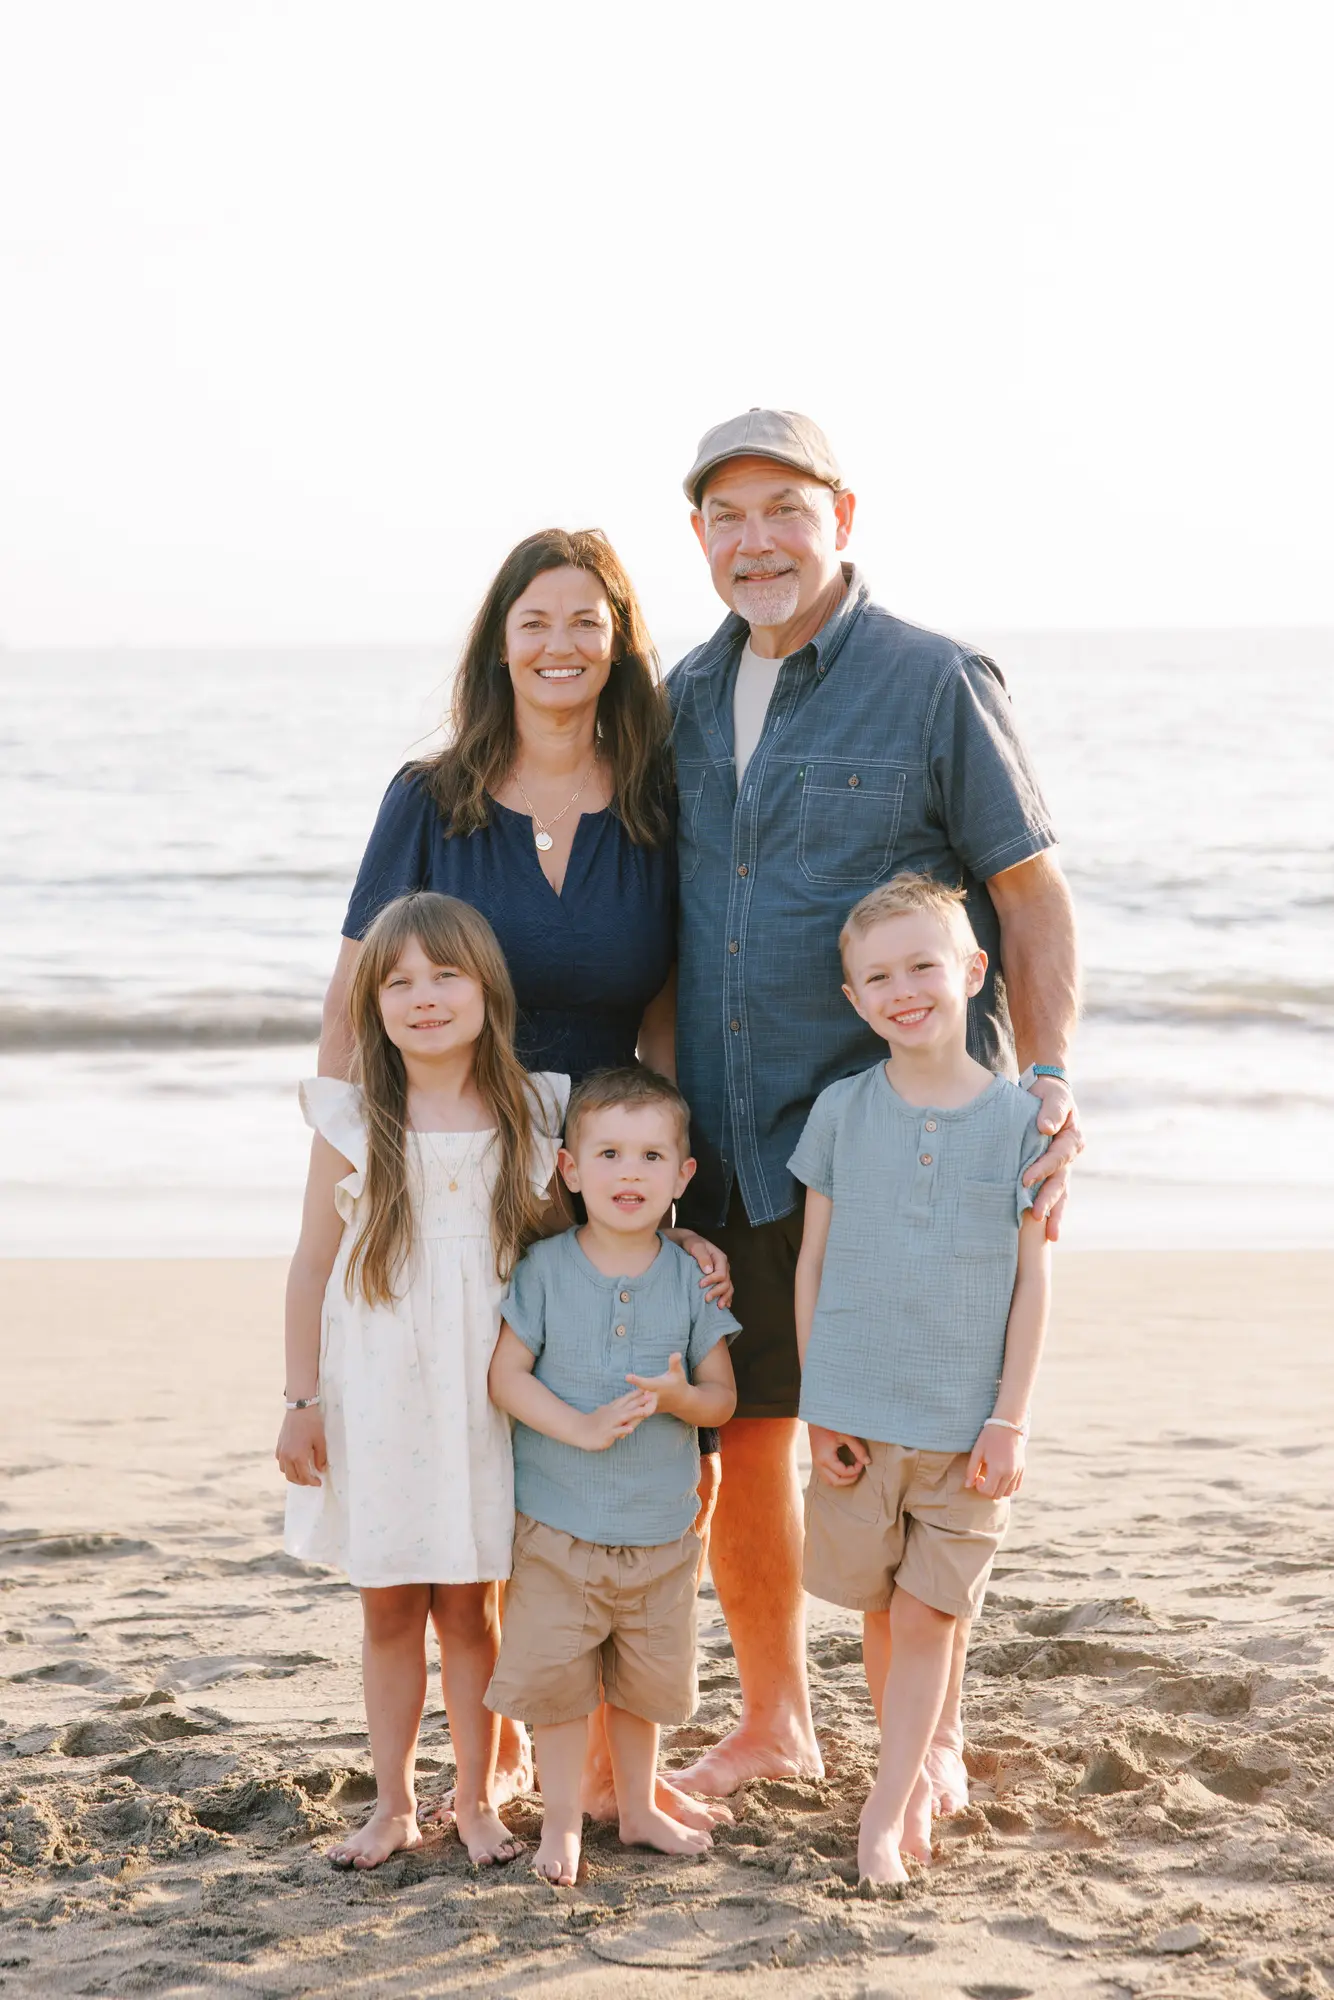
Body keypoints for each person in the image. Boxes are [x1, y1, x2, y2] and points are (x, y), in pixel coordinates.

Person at [666, 409, 1082, 1803]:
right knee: (750, 1440)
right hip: (732, 1143)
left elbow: (1028, 895)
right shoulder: (678, 697)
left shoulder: (932, 679)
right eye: (726, 516)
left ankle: (931, 1736)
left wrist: (1047, 1081)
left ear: (839, 517)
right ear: (698, 537)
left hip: (902, 1151)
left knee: (914, 1445)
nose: (755, 541)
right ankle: (774, 1720)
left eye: (782, 509)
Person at [318, 528, 730, 1819]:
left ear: (619, 644)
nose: (559, 645)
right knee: (466, 1443)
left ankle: (579, 1761)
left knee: (581, 1458)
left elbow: (662, 1016)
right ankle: (476, 1765)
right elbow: (353, 996)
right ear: (499, 642)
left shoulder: (655, 805)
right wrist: (344, 1161)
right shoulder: (428, 798)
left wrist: (665, 1197)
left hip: (591, 1168)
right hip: (452, 1156)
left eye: (585, 622)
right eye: (533, 621)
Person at [276, 890, 567, 1870]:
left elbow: (573, 1251)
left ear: (487, 990)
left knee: (472, 1609)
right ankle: (394, 1804)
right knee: (391, 1606)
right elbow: (311, 1264)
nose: (423, 997)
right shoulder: (352, 1117)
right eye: (397, 982)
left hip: (481, 1396)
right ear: (373, 1004)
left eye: (445, 975)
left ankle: (477, 1797)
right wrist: (300, 1401)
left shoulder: (532, 1111)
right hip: (378, 1397)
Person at [792, 874, 1051, 1883]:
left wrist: (1009, 1418)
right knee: (879, 1608)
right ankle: (905, 1776)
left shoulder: (1021, 1121)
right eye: (878, 977)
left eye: (921, 966)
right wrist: (819, 1410)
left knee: (929, 1613)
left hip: (963, 1427)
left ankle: (886, 1809)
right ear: (853, 998)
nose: (902, 991)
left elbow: (1032, 1282)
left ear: (972, 971)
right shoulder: (840, 1111)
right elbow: (812, 1264)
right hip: (858, 1416)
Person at [487, 1067, 740, 1884]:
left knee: (640, 1687)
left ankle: (638, 1808)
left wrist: (680, 1397)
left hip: (660, 1532)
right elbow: (506, 1376)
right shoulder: (543, 1270)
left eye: (651, 1156)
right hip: (557, 1527)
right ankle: (562, 1822)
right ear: (569, 1169)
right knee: (561, 1688)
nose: (630, 1173)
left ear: (682, 1176)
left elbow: (722, 1398)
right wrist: (582, 1428)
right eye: (608, 1154)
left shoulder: (692, 1279)